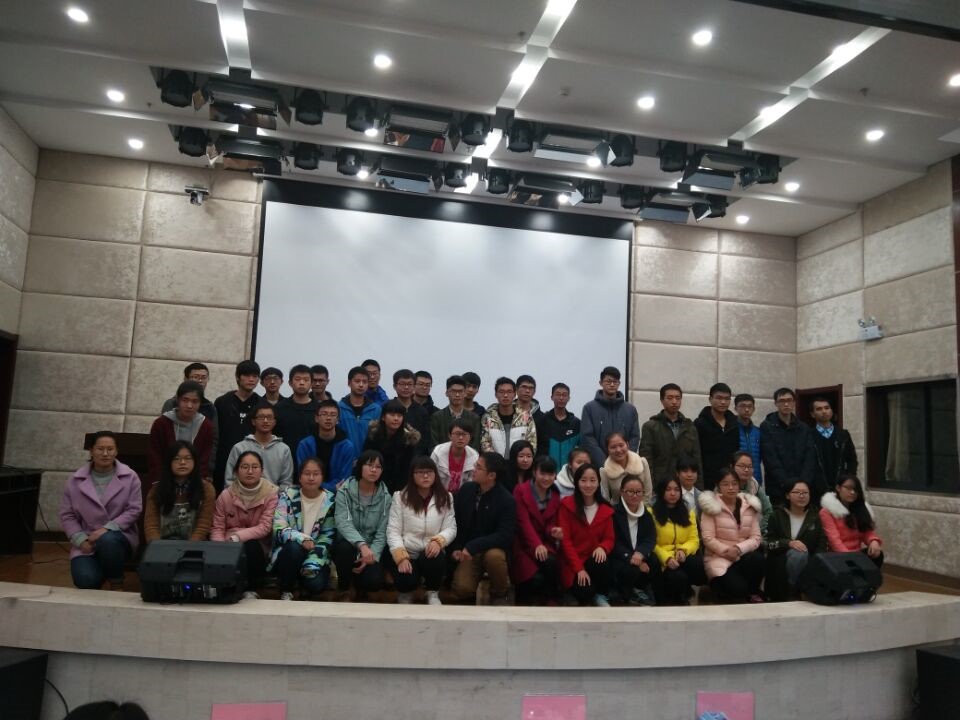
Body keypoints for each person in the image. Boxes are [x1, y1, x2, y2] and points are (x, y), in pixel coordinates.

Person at [59, 431, 142, 590]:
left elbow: (134, 509)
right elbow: (67, 515)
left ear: (116, 451)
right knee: (85, 581)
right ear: (91, 451)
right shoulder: (75, 480)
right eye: (100, 449)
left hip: (119, 537)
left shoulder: (130, 477)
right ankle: (104, 568)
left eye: (110, 449)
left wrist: (106, 529)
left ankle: (116, 581)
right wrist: (80, 540)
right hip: (87, 540)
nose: (105, 453)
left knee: (108, 540)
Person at [387, 457, 457, 605]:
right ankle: (405, 593)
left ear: (435, 474)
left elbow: (451, 527)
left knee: (436, 559)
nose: (425, 476)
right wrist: (401, 557)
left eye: (429, 472)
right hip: (408, 550)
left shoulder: (445, 497)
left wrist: (439, 541)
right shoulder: (400, 497)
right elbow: (393, 531)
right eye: (420, 472)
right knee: (405, 579)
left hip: (430, 550)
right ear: (412, 475)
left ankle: (432, 592)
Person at [450, 452, 517, 604]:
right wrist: (457, 547)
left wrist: (473, 546)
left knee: (494, 558)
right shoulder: (466, 490)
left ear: (491, 475)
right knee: (462, 588)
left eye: (478, 467)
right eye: (475, 465)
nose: (473, 470)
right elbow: (456, 521)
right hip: (468, 551)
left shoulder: (507, 500)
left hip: (492, 548)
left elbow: (505, 536)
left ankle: (500, 593)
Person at [211, 450, 279, 597]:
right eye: (244, 467)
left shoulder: (271, 494)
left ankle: (251, 589)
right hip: (228, 547)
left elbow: (265, 527)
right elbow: (217, 528)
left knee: (251, 545)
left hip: (259, 547)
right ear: (236, 471)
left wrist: (237, 537)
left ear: (262, 470)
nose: (250, 471)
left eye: (255, 467)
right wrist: (219, 549)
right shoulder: (225, 496)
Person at [270, 457, 336, 600]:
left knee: (316, 585)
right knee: (294, 548)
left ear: (322, 477)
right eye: (307, 473)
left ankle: (299, 580)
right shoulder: (287, 496)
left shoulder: (330, 501)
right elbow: (279, 528)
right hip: (289, 551)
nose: (311, 478)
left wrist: (311, 561)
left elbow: (327, 536)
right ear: (299, 477)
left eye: (316, 474)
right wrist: (302, 539)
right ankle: (286, 590)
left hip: (316, 554)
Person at [699, 468, 765, 603]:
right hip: (719, 559)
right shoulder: (710, 507)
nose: (730, 487)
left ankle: (752, 592)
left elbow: (756, 537)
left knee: (758, 559)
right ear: (718, 486)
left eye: (734, 483)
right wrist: (727, 551)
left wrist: (738, 549)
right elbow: (708, 538)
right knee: (738, 590)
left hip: (742, 556)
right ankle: (719, 591)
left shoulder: (749, 506)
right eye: (725, 484)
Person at [333, 450, 392, 597]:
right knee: (344, 549)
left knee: (373, 582)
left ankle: (361, 587)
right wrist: (362, 545)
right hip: (349, 544)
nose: (374, 470)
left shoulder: (386, 497)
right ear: (360, 467)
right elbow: (343, 522)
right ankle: (344, 588)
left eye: (378, 467)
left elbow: (382, 532)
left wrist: (372, 555)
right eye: (369, 465)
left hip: (371, 547)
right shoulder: (344, 491)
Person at [558, 463, 615, 606]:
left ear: (598, 482)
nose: (588, 485)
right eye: (583, 480)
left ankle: (601, 594)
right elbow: (566, 541)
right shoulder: (566, 505)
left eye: (592, 480)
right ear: (577, 482)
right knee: (585, 593)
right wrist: (579, 569)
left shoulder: (605, 508)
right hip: (572, 563)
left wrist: (602, 547)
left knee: (602, 560)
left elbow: (609, 538)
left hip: (593, 561)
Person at [764, 479, 826, 601]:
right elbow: (768, 543)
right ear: (787, 495)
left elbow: (821, 542)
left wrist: (818, 560)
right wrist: (789, 543)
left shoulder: (815, 516)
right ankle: (794, 590)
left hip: (810, 561)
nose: (801, 496)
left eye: (805, 493)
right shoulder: (777, 515)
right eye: (797, 492)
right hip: (781, 559)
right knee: (799, 554)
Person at [512, 456, 563, 605]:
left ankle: (552, 601)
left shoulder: (555, 494)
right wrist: (537, 545)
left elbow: (550, 524)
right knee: (532, 578)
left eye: (550, 474)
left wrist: (553, 531)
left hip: (544, 543)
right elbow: (523, 522)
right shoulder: (521, 490)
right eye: (543, 473)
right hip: (523, 544)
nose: (546, 478)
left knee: (552, 563)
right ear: (534, 472)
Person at [144, 441, 216, 543]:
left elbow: (203, 525)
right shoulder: (156, 490)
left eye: (188, 458)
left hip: (194, 546)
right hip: (162, 545)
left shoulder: (207, 489)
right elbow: (151, 526)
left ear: (195, 462)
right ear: (169, 463)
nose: (182, 462)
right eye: (176, 458)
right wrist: (158, 547)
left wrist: (189, 547)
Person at [650, 477, 706, 605]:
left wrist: (683, 550)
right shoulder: (651, 513)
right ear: (661, 491)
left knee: (698, 566)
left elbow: (694, 539)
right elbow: (651, 542)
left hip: (681, 555)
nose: (673, 493)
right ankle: (672, 598)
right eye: (668, 489)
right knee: (678, 577)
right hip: (662, 558)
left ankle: (685, 591)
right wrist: (667, 558)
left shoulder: (688, 512)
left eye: (676, 490)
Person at [148, 380, 214, 485]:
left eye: (195, 401)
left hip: (193, 481)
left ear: (200, 403)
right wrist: (159, 482)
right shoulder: (161, 423)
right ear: (178, 400)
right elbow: (155, 456)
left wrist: (198, 482)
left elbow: (204, 459)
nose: (189, 405)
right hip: (164, 480)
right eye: (185, 400)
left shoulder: (206, 426)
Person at [760, 387, 816, 504]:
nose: (786, 404)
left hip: (802, 486)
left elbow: (809, 457)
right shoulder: (767, 426)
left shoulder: (803, 428)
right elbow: (770, 459)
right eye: (782, 401)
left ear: (794, 403)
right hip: (777, 486)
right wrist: (787, 484)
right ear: (776, 403)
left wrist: (803, 483)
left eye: (789, 400)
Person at [639, 383, 702, 485]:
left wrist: (698, 487)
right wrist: (649, 486)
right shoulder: (651, 426)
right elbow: (646, 460)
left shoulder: (689, 427)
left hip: (684, 483)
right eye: (670, 398)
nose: (674, 402)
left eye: (678, 398)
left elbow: (697, 459)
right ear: (662, 400)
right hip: (660, 483)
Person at [213, 360, 262, 492]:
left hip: (251, 462)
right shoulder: (222, 402)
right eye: (247, 375)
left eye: (255, 376)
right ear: (237, 377)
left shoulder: (262, 404)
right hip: (223, 459)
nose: (251, 379)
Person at [580, 366, 639, 469]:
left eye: (615, 382)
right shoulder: (589, 408)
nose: (612, 384)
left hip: (624, 467)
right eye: (608, 381)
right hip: (599, 468)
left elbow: (634, 437)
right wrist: (605, 464)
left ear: (619, 384)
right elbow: (587, 438)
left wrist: (624, 460)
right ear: (601, 383)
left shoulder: (630, 409)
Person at [611, 475, 657, 605]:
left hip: (638, 555)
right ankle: (626, 594)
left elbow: (650, 538)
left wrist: (641, 553)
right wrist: (630, 556)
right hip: (620, 557)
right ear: (622, 492)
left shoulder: (646, 515)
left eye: (638, 492)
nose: (634, 495)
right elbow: (613, 541)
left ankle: (643, 589)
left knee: (654, 561)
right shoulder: (613, 513)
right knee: (631, 570)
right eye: (630, 492)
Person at [819, 474, 883, 567]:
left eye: (855, 490)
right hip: (837, 556)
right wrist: (851, 558)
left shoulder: (859, 509)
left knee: (877, 554)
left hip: (856, 554)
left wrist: (873, 541)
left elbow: (866, 532)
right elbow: (834, 541)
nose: (852, 492)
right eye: (848, 488)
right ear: (838, 488)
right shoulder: (826, 512)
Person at [225, 403, 294, 489]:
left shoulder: (284, 449)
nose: (265, 421)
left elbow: (286, 482)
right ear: (253, 421)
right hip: (243, 496)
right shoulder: (239, 448)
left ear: (274, 422)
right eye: (261, 417)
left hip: (274, 496)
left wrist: (275, 496)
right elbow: (230, 480)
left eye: (269, 417)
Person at [296, 399, 358, 490]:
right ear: (316, 418)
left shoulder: (347, 447)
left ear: (338, 420)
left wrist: (326, 488)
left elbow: (343, 479)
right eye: (324, 414)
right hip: (310, 492)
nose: (328, 418)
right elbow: (303, 476)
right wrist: (331, 487)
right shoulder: (305, 445)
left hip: (338, 494)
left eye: (333, 415)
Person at [363, 399, 422, 494]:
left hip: (399, 489)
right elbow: (366, 462)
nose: (396, 419)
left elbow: (408, 469)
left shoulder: (408, 440)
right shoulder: (373, 436)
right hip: (374, 486)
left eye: (399, 415)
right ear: (383, 417)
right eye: (392, 415)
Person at [811, 397, 858, 500]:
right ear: (812, 414)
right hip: (816, 489)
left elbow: (852, 461)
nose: (824, 411)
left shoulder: (843, 434)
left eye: (827, 408)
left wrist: (848, 481)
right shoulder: (808, 436)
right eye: (819, 409)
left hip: (840, 487)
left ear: (831, 411)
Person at [695, 383, 740, 490]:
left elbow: (736, 451)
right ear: (710, 399)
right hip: (707, 479)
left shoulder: (734, 423)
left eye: (727, 399)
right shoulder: (700, 424)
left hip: (729, 479)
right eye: (719, 398)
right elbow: (696, 453)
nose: (723, 402)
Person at [481, 376, 537, 457]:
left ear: (515, 394)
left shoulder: (526, 417)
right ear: (496, 394)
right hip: (495, 463)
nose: (505, 395)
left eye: (509, 392)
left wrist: (520, 459)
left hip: (519, 463)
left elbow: (532, 443)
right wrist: (496, 461)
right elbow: (485, 443)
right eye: (501, 392)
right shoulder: (488, 417)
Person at [275, 363, 318, 458]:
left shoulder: (319, 409)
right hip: (284, 458)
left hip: (312, 459)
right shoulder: (279, 408)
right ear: (290, 383)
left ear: (311, 384)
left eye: (306, 380)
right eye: (297, 379)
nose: (302, 383)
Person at [160, 362, 218, 430]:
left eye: (203, 378)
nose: (200, 381)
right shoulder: (172, 403)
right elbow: (163, 430)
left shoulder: (209, 407)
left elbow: (214, 433)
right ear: (186, 379)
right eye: (195, 377)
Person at [338, 366, 383, 453]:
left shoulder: (376, 410)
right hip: (345, 457)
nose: (361, 385)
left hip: (368, 458)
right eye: (357, 381)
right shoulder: (339, 408)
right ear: (349, 383)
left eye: (365, 382)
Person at [537, 382, 581, 470]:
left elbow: (580, 449)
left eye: (564, 395)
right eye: (558, 394)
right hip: (547, 472)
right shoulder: (543, 421)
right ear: (552, 397)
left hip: (569, 472)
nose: (561, 398)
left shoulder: (576, 423)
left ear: (568, 398)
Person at [430, 375, 482, 450]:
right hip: (441, 456)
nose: (457, 395)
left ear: (465, 393)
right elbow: (434, 445)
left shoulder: (474, 418)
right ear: (447, 393)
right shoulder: (437, 417)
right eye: (454, 391)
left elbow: (475, 446)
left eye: (460, 391)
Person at [599, 431, 653, 502]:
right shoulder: (604, 471)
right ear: (608, 450)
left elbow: (648, 493)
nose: (618, 450)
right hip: (617, 508)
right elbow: (605, 498)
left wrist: (642, 507)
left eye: (621, 445)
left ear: (627, 445)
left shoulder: (642, 462)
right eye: (613, 447)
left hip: (642, 506)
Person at [430, 417, 479, 492]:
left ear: (470, 437)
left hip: (463, 495)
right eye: (457, 434)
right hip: (439, 493)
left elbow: (472, 482)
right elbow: (431, 476)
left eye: (464, 434)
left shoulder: (474, 456)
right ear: (450, 436)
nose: (461, 437)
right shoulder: (438, 452)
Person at [731, 451, 773, 533]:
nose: (746, 470)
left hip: (752, 533)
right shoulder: (724, 484)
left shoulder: (754, 485)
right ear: (732, 467)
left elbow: (768, 510)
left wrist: (758, 529)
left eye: (750, 467)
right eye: (742, 466)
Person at [392, 368, 431, 455]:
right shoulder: (388, 408)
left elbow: (425, 440)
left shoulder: (422, 411)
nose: (406, 387)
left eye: (409, 384)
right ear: (394, 386)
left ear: (414, 386)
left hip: (416, 459)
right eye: (402, 384)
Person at [735, 393, 763, 486]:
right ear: (735, 408)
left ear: (754, 409)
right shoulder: (731, 430)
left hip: (756, 479)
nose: (747, 409)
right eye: (743, 406)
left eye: (749, 406)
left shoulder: (758, 432)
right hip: (736, 479)